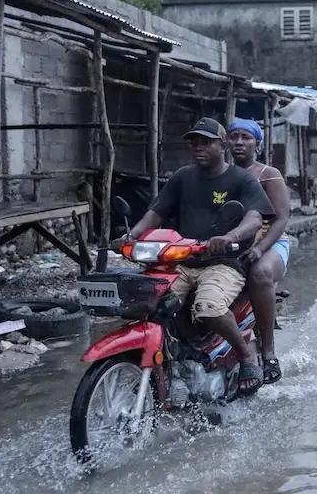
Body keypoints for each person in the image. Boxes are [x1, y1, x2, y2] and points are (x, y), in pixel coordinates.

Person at [115, 117, 275, 397]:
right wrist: (133, 235)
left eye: (206, 142)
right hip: (181, 261)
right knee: (146, 304)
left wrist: (230, 238)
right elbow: (157, 212)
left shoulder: (242, 179)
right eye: (194, 142)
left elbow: (253, 218)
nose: (198, 147)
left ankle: (246, 354)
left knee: (209, 306)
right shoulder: (182, 176)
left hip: (224, 263)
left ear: (223, 146)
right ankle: (169, 363)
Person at [228, 118, 289, 385]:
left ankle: (269, 352)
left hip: (270, 243)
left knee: (260, 273)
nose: (239, 142)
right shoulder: (219, 174)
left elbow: (281, 219)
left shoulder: (269, 174)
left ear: (258, 144)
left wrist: (260, 249)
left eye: (246, 137)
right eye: (234, 137)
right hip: (231, 242)